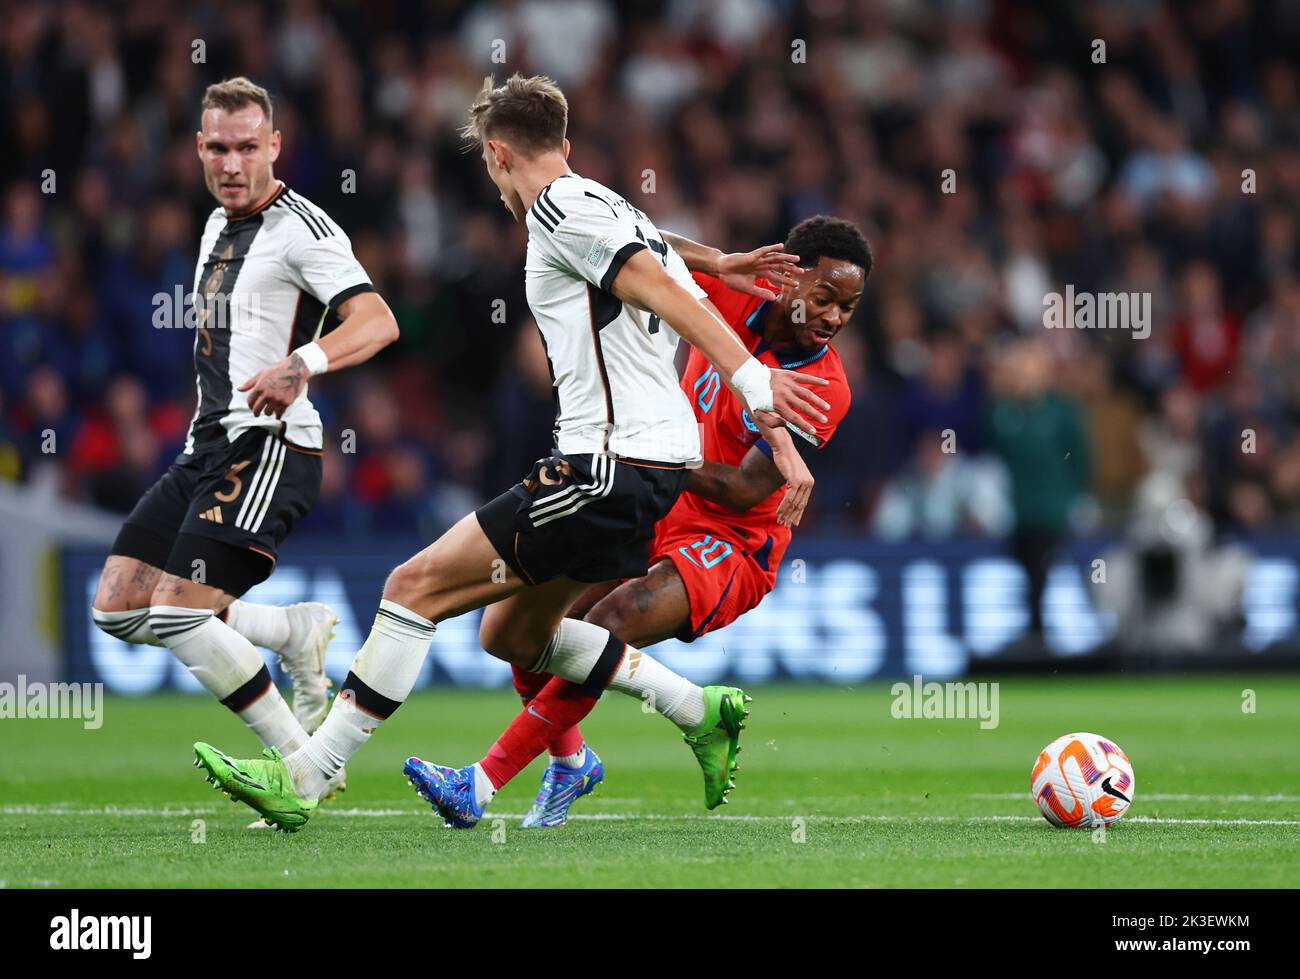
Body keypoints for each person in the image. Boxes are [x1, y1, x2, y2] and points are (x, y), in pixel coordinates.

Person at [192, 73, 831, 832]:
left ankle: (306, 774)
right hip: (647, 475)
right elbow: (654, 250)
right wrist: (718, 260)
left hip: (604, 467)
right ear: (562, 144)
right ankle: (697, 707)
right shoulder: (600, 200)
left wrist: (756, 384)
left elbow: (655, 282)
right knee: (512, 635)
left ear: (497, 155)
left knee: (412, 585)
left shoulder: (561, 211)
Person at [487, 216, 871, 826]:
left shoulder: (823, 386)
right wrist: (718, 260)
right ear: (788, 278)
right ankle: (571, 763)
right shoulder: (732, 292)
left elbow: (745, 489)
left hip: (734, 544)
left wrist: (647, 450)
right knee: (534, 620)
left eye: (848, 307)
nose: (833, 318)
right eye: (824, 298)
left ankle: (483, 781)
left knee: (610, 621)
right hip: (657, 503)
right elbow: (635, 239)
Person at [90, 77, 399, 787]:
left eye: (248, 148)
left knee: (174, 615)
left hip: (271, 445)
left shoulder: (305, 230)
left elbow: (379, 320)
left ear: (275, 146)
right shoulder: (215, 225)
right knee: (116, 608)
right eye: (220, 149)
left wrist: (303, 362)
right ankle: (291, 631)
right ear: (199, 148)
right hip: (207, 448)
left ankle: (304, 770)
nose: (233, 165)